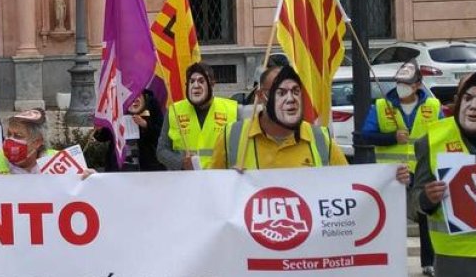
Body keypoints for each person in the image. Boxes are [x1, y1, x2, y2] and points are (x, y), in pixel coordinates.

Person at [411, 71, 476, 276]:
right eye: (468, 98)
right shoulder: (431, 141)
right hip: (459, 260)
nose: (475, 106)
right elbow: (414, 203)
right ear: (457, 101)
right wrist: (426, 199)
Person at [361, 60, 441, 275]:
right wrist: (391, 137)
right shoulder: (380, 106)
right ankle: (388, 262)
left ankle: (428, 263)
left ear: (417, 85)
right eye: (398, 82)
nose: (400, 87)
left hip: (422, 170)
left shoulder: (433, 107)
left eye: (405, 83)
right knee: (390, 219)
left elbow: (443, 135)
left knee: (425, 216)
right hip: (391, 173)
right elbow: (364, 135)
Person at [210, 64, 349, 170]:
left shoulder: (321, 139)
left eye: (295, 91)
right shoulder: (232, 137)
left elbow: (346, 187)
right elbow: (213, 190)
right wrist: (229, 182)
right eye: (280, 93)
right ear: (261, 97)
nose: (291, 99)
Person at [158, 62, 238, 171]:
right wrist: (181, 162)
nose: (196, 86)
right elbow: (162, 151)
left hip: (219, 179)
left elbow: (242, 148)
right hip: (185, 180)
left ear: (212, 84)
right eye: (192, 81)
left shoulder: (232, 109)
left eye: (201, 81)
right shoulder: (174, 111)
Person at [125, 89, 165, 171]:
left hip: (148, 160)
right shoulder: (116, 100)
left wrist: (145, 124)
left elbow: (161, 132)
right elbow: (108, 135)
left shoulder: (151, 101)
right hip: (122, 162)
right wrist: (100, 131)